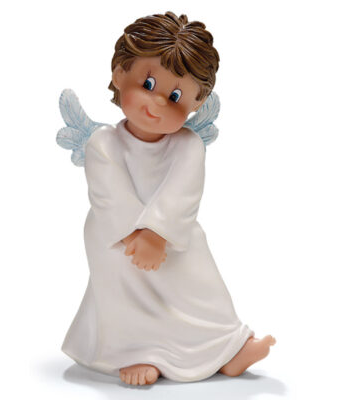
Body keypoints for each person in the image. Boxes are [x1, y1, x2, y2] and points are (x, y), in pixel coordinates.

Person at [59, 11, 276, 386]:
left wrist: (158, 233)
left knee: (199, 279)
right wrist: (137, 236)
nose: (157, 103)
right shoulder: (103, 143)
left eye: (175, 96)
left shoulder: (188, 145)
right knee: (124, 280)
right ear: (119, 74)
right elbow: (109, 194)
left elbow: (183, 193)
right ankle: (137, 351)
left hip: (173, 234)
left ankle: (226, 346)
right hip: (117, 237)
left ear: (197, 102)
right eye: (147, 83)